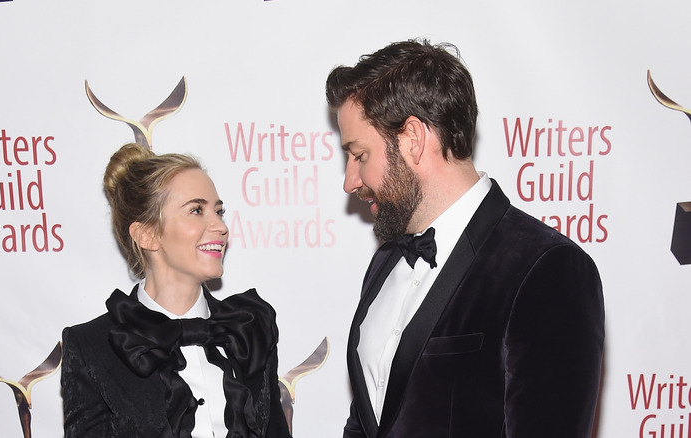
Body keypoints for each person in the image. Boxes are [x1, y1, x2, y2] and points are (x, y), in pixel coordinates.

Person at [326, 40, 604, 437]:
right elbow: (370, 420)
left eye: (360, 155)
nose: (351, 180)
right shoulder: (385, 263)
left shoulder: (548, 268)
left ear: (413, 139)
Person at [61, 143, 291, 438]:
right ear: (147, 234)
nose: (220, 226)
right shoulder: (92, 347)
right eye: (197, 210)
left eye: (218, 211)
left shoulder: (251, 327)